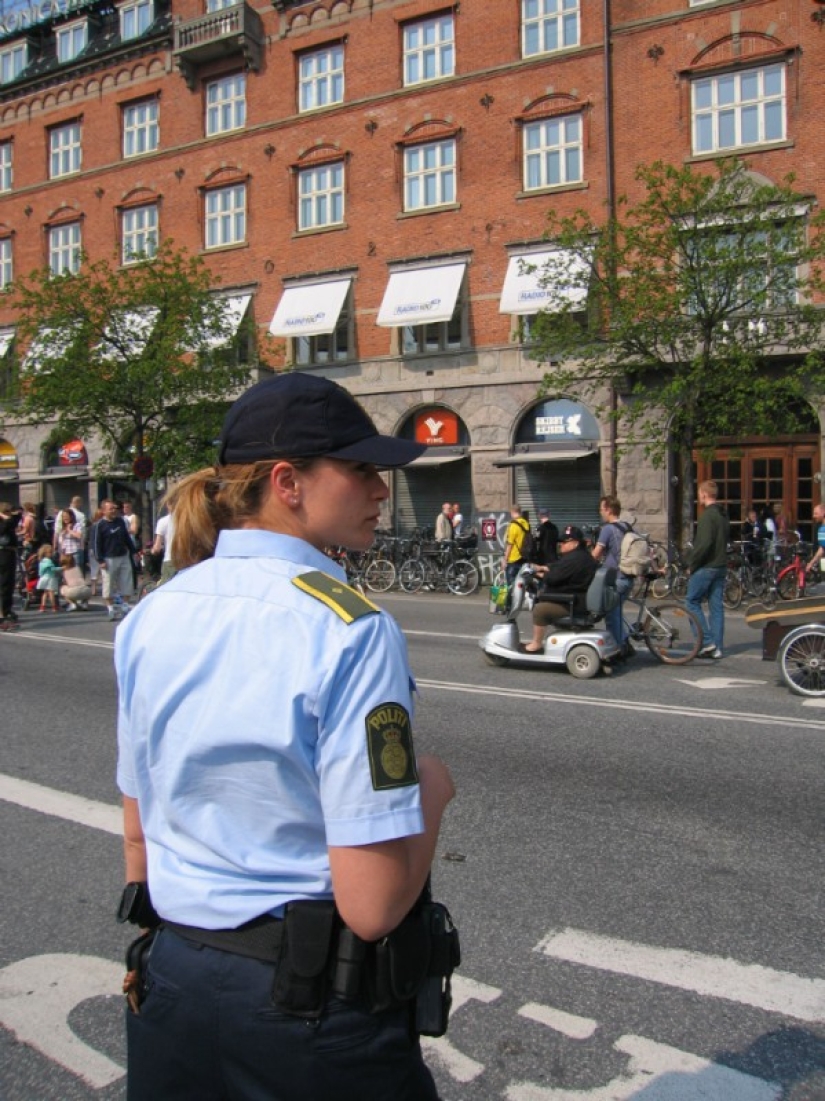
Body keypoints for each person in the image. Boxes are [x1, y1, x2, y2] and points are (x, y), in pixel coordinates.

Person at [114, 372, 456, 1101]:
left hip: (172, 977)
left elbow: (139, 831)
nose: (379, 488)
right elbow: (371, 905)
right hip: (304, 1012)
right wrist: (431, 789)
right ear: (286, 482)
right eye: (359, 469)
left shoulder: (151, 613)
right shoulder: (350, 628)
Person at [524, 525, 598, 652]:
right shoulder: (581, 556)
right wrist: (542, 567)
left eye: (564, 542)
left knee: (540, 609)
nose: (561, 545)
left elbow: (553, 578)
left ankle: (536, 644)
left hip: (572, 603)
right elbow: (559, 568)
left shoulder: (573, 559)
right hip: (579, 600)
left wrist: (535, 574)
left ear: (575, 543)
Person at [686, 480, 730, 659]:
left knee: (691, 602)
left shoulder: (707, 516)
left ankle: (706, 642)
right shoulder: (723, 514)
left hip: (707, 566)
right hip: (721, 565)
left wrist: (692, 564)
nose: (698, 497)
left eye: (698, 493)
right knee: (716, 607)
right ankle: (717, 647)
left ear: (703, 494)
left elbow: (704, 544)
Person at [592, 495, 634, 657]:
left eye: (602, 509)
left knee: (611, 613)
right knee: (616, 611)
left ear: (609, 509)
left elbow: (596, 554)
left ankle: (619, 648)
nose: (601, 512)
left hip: (617, 577)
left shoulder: (607, 529)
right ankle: (623, 641)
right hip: (629, 576)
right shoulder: (627, 527)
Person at [94, 499, 135, 619]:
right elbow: (96, 544)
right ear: (103, 511)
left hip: (123, 555)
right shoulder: (100, 525)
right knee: (108, 584)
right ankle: (110, 608)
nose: (113, 511)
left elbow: (126, 538)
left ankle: (125, 605)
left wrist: (133, 551)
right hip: (108, 558)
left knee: (126, 581)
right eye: (110, 509)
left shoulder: (120, 521)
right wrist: (100, 560)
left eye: (115, 508)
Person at [0, 501, 20, 628]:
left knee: (9, 583)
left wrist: (11, 516)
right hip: (2, 552)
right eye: (7, 511)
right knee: (4, 583)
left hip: (10, 553)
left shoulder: (10, 521)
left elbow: (17, 518)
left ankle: (6, 610)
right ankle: (2, 614)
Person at [502, 505, 531, 587]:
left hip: (514, 558)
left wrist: (505, 560)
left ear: (512, 512)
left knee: (511, 586)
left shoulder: (513, 526)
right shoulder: (526, 523)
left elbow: (510, 545)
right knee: (522, 584)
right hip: (524, 557)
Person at [151, 509, 177, 584]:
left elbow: (157, 547)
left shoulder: (163, 521)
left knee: (166, 587)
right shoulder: (188, 520)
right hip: (187, 562)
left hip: (170, 560)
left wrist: (153, 551)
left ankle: (149, 589)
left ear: (168, 505)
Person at [36, 543, 61, 612]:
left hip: (43, 577)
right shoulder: (49, 561)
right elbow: (53, 569)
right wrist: (61, 568)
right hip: (50, 578)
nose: (52, 554)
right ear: (47, 553)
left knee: (45, 592)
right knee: (51, 592)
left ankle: (42, 606)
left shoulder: (41, 561)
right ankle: (54, 607)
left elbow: (40, 571)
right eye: (51, 552)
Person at [806, 502, 825, 577]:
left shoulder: (823, 529)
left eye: (816, 513)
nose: (814, 516)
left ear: (823, 513)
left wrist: (811, 563)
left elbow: (822, 549)